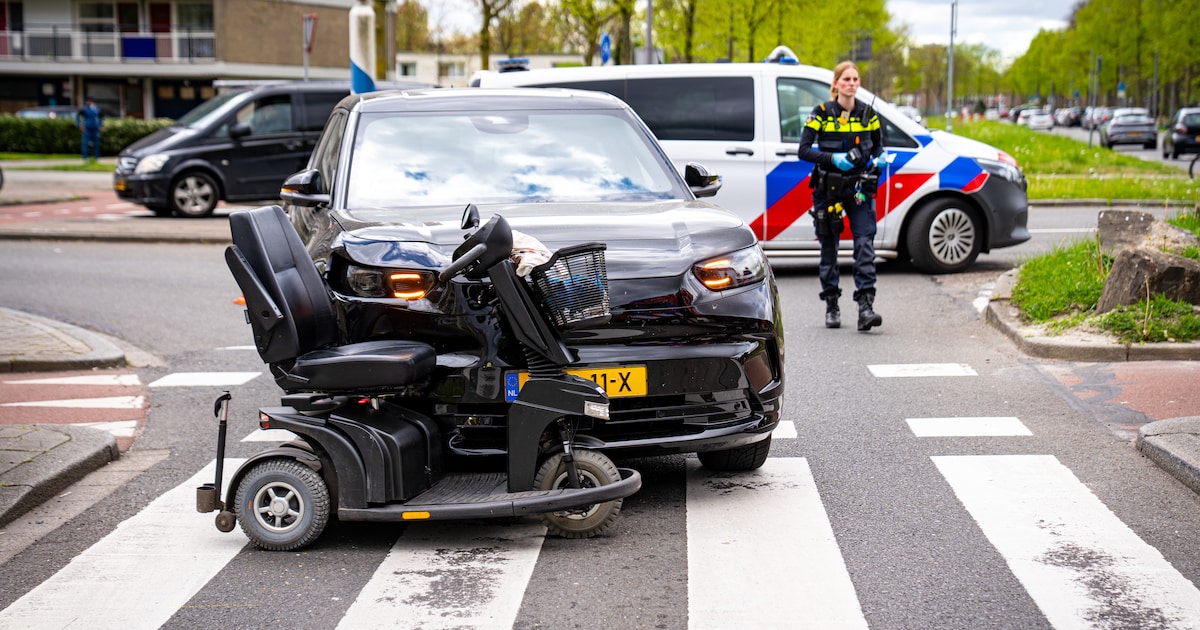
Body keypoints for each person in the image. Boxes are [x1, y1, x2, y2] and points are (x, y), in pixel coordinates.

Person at [796, 61, 887, 331]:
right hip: (829, 189)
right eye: (846, 79)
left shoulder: (868, 114)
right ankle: (832, 305)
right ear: (835, 84)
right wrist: (832, 158)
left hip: (859, 190)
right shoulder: (821, 113)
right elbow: (803, 150)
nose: (851, 83)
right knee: (829, 248)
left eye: (855, 79)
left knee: (864, 245)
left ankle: (865, 307)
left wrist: (879, 161)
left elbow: (879, 147)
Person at [77, 98, 103, 163]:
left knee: (96, 143)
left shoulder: (96, 108)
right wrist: (80, 125)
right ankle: (85, 158)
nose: (89, 102)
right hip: (87, 128)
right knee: (85, 143)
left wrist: (100, 125)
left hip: (95, 128)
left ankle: (96, 157)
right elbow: (78, 117)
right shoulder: (84, 109)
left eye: (91, 101)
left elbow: (100, 117)